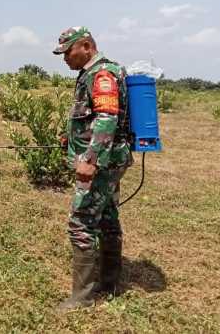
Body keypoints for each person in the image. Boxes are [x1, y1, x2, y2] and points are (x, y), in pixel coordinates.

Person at [52, 27, 133, 310]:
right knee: (108, 216)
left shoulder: (101, 74)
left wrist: (90, 159)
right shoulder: (91, 73)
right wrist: (70, 137)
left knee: (81, 221)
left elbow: (107, 119)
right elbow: (89, 117)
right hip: (111, 159)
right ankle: (109, 282)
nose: (64, 59)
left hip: (102, 163)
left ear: (86, 45)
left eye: (68, 52)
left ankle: (83, 297)